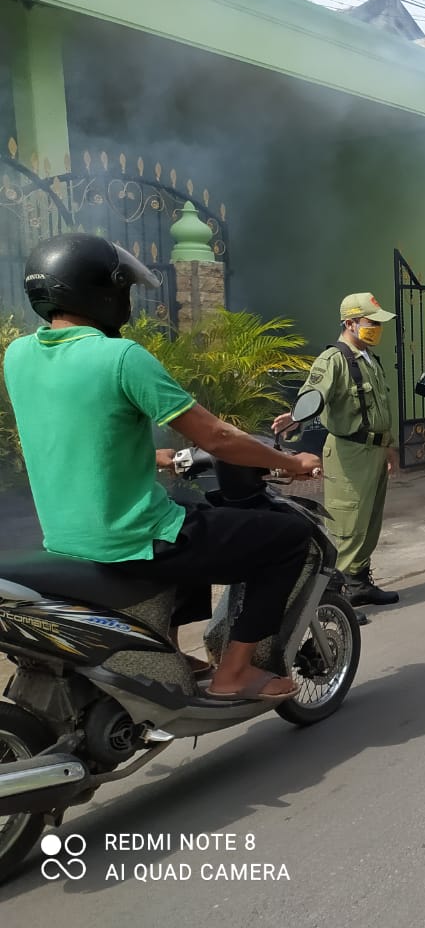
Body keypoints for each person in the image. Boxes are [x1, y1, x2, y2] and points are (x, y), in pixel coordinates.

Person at [5, 233, 322, 701]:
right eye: (125, 291)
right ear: (103, 292)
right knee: (287, 540)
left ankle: (165, 652)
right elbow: (215, 437)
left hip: (65, 536)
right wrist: (288, 461)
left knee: (188, 506)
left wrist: (152, 457)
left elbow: (73, 430)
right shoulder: (121, 357)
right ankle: (234, 671)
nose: (128, 302)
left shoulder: (19, 356)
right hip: (128, 538)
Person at [272, 292, 398, 623]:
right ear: (350, 323)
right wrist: (295, 416)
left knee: (368, 523)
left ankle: (357, 585)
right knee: (346, 527)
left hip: (373, 450)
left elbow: (379, 409)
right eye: (371, 323)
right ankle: (332, 600)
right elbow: (315, 394)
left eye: (377, 323)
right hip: (349, 452)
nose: (376, 329)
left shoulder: (369, 359)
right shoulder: (334, 359)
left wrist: (389, 446)